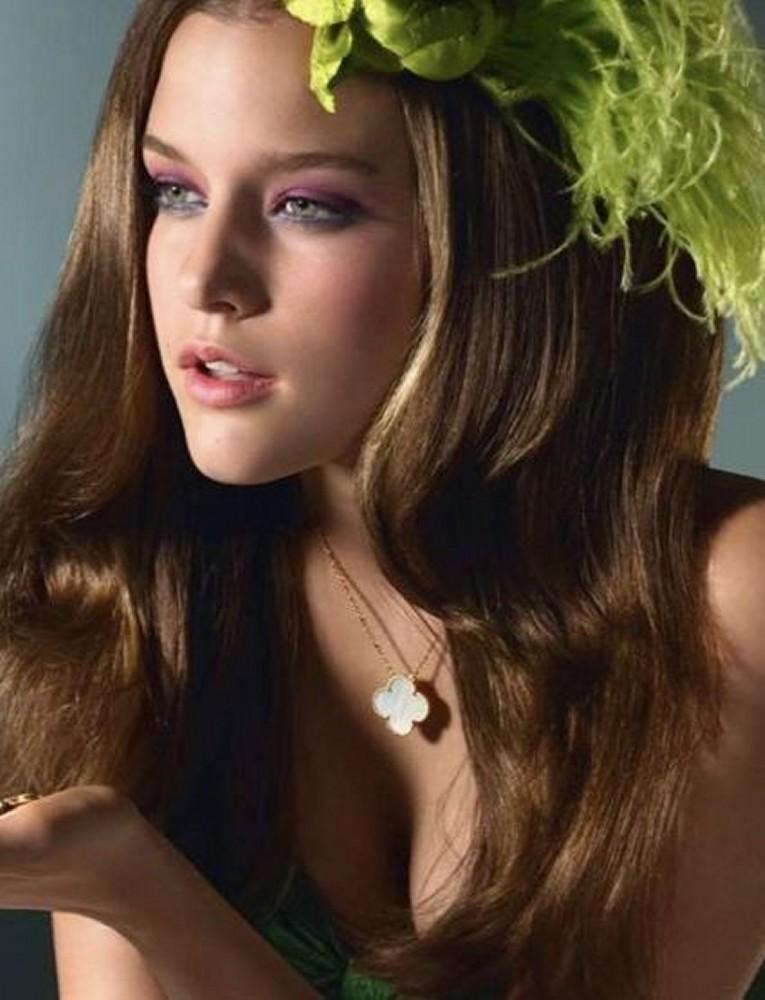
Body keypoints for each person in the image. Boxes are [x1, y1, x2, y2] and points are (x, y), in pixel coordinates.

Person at [0, 0, 764, 997]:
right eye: (174, 191)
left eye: (309, 205)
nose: (206, 279)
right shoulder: (129, 582)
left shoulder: (725, 598)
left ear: (510, 239)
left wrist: (136, 888)